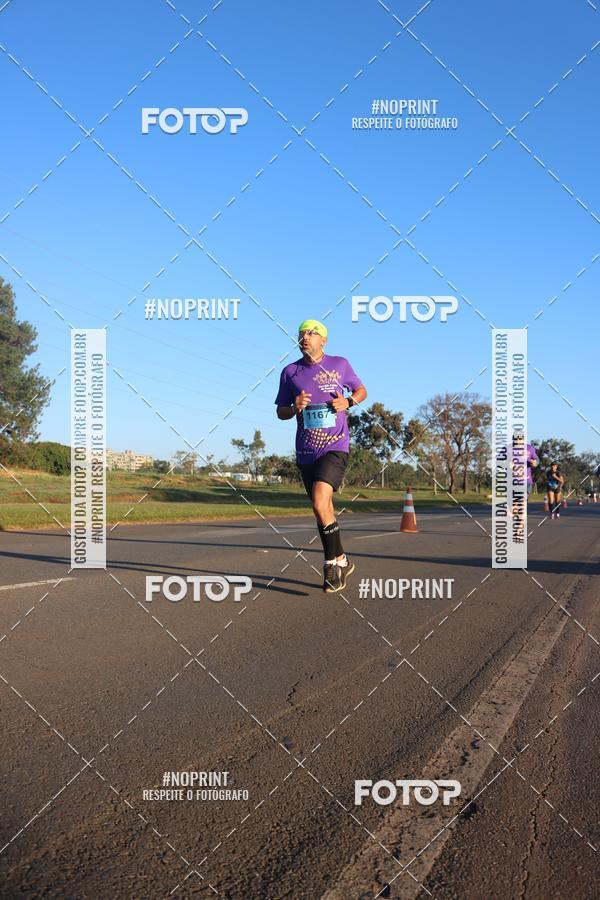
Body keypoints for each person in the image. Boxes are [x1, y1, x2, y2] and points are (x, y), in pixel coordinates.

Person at [275, 319, 367, 592]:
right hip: (306, 450)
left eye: (311, 333)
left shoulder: (340, 364)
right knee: (321, 509)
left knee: (319, 499)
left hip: (335, 445)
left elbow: (362, 390)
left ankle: (330, 565)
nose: (305, 337)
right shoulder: (289, 372)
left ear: (323, 340)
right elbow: (280, 412)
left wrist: (348, 402)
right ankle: (342, 559)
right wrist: (294, 406)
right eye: (301, 333)